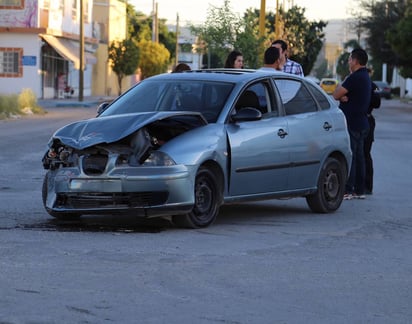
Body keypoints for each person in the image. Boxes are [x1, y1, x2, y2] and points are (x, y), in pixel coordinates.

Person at [333, 48, 372, 200]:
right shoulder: (365, 77)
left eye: (350, 59)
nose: (349, 62)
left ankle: (349, 189)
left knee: (352, 157)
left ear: (355, 61)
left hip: (352, 123)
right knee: (360, 157)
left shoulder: (354, 78)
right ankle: (360, 190)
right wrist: (344, 96)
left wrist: (342, 96)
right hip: (362, 122)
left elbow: (336, 94)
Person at [364, 68, 381, 195]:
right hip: (363, 119)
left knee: (365, 153)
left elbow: (377, 103)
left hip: (367, 120)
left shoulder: (372, 86)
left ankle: (367, 186)